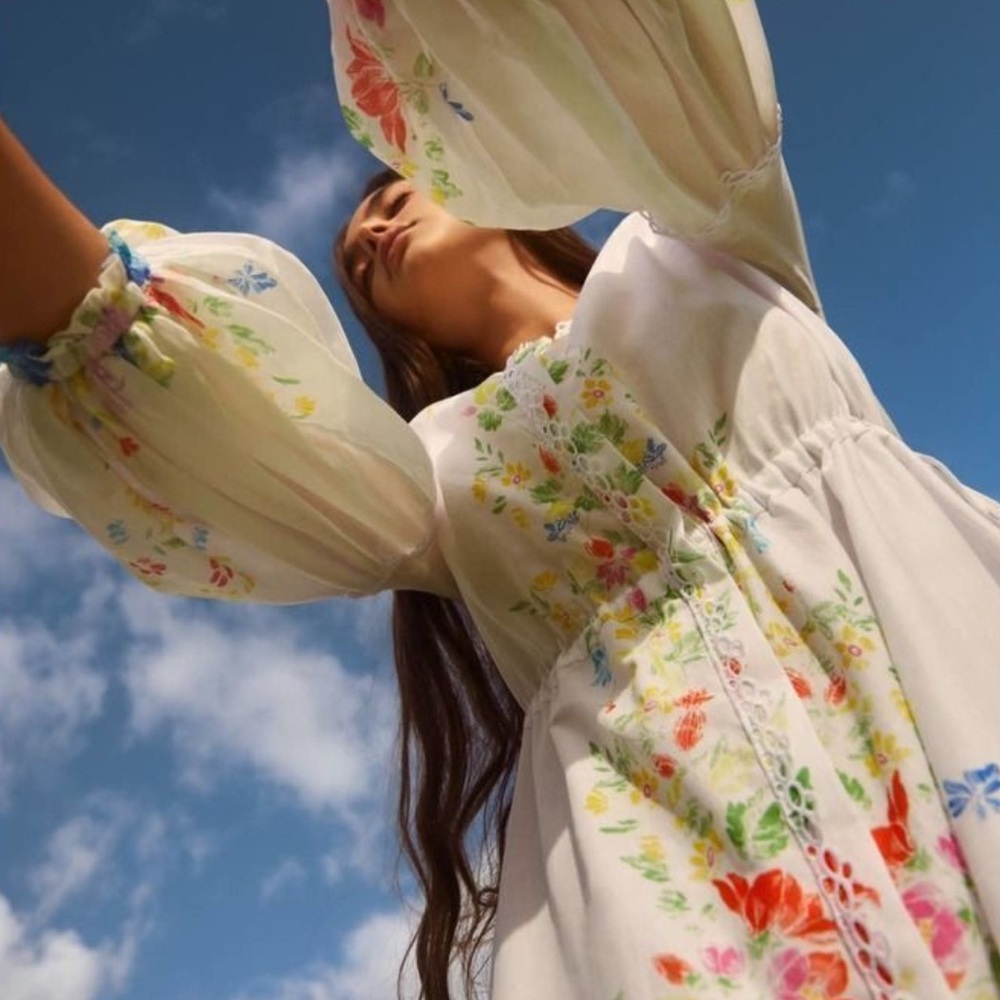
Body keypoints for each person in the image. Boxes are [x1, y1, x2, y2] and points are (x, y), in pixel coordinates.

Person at [2, 3, 999, 999]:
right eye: (354, 264)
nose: (371, 230)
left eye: (393, 194)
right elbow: (125, 357)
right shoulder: (425, 478)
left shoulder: (709, 231)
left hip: (941, 684)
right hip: (675, 874)